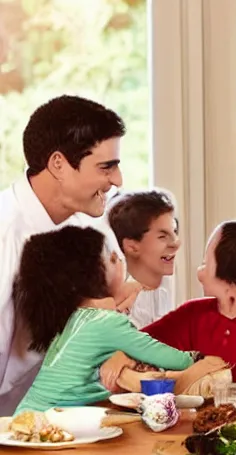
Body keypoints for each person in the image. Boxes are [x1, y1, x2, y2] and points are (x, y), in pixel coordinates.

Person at [0, 95, 139, 416]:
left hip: (77, 424)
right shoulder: (6, 232)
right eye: (106, 167)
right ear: (59, 164)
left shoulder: (95, 227)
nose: (118, 181)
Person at [13, 226, 199, 414]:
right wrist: (200, 358)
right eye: (112, 259)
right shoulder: (107, 322)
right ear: (93, 276)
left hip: (24, 419)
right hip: (45, 427)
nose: (120, 262)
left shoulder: (73, 316)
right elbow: (177, 361)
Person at [112, 220, 236, 385]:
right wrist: (123, 354)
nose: (199, 271)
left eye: (205, 263)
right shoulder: (192, 313)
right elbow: (139, 343)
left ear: (231, 288)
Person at [107, 190, 179, 328]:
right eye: (162, 236)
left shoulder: (163, 279)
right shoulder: (119, 294)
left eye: (174, 232)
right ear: (132, 247)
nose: (175, 243)